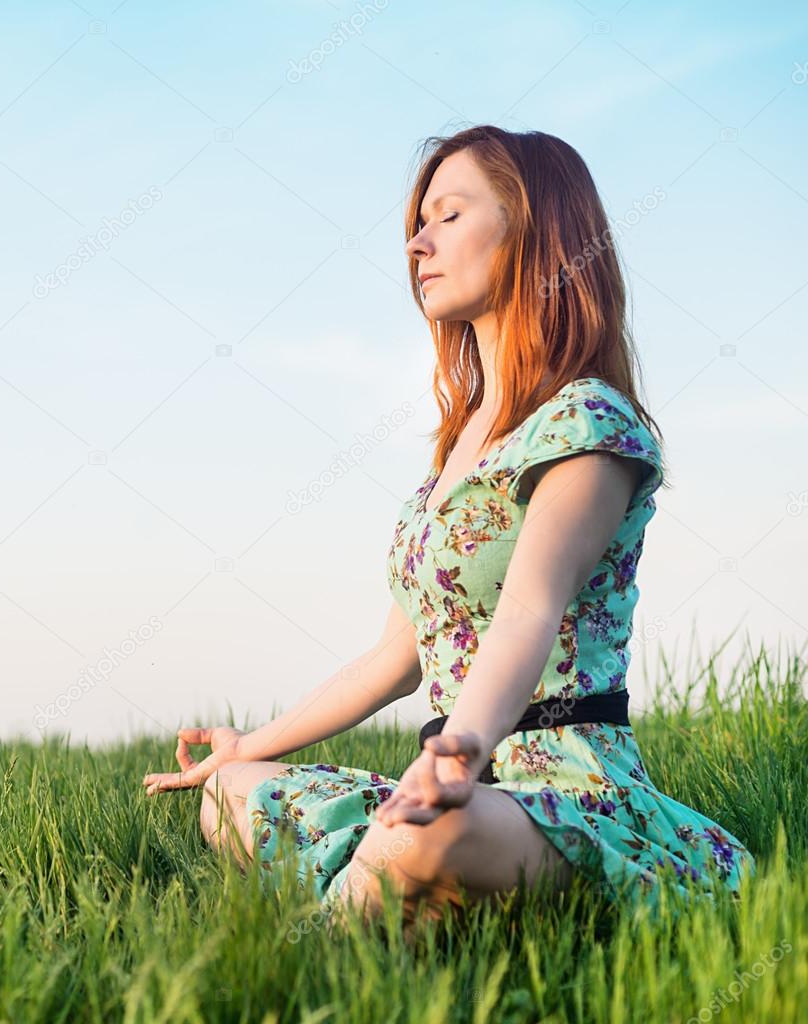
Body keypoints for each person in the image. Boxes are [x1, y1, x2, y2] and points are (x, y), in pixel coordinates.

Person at [141, 125, 756, 931]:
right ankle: (391, 887)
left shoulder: (588, 422)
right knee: (231, 793)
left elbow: (529, 611)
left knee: (429, 830)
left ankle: (328, 935)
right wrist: (246, 746)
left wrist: (460, 750)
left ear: (535, 233)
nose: (418, 245)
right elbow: (392, 660)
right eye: (416, 226)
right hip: (445, 779)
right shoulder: (458, 450)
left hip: (564, 785)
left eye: (449, 216)